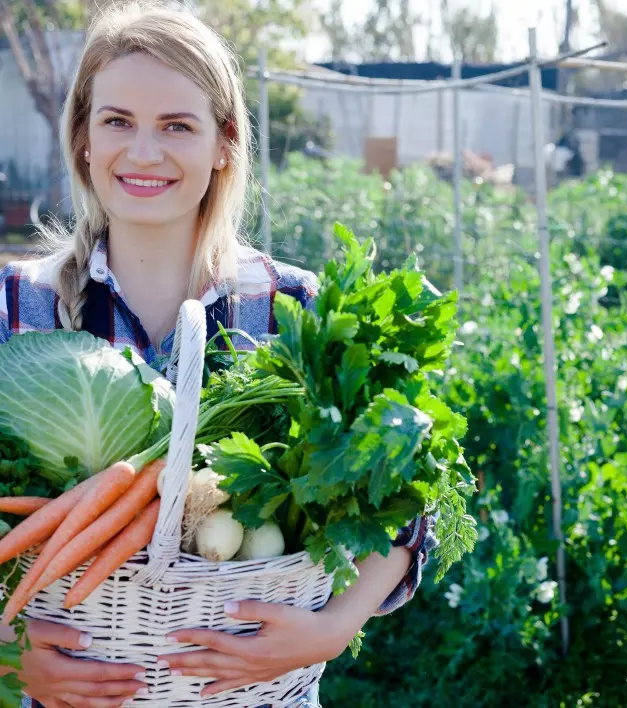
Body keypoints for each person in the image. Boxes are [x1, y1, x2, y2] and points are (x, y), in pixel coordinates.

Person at [0, 3, 436, 706]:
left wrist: (333, 628)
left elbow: (406, 501)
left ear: (224, 143)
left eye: (177, 125)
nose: (143, 153)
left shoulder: (296, 307)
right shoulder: (15, 306)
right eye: (117, 122)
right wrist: (6, 660)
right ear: (81, 137)